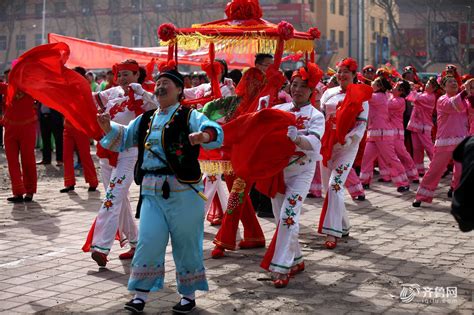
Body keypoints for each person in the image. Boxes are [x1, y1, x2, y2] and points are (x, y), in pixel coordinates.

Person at [97, 66, 223, 314]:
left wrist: (203, 137)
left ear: (179, 91)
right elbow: (124, 139)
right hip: (152, 192)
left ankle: (188, 296)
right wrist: (107, 127)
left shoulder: (189, 116)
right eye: (159, 82)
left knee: (186, 243)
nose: (161, 86)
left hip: (185, 192)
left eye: (167, 83)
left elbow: (214, 129)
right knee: (148, 241)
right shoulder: (146, 118)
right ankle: (140, 295)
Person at [82, 59, 156, 266]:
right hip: (106, 152)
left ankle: (100, 246)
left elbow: (160, 108)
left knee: (112, 197)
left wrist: (141, 92)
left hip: (130, 152)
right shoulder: (113, 93)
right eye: (120, 74)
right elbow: (87, 99)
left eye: (127, 74)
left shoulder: (146, 94)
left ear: (136, 75)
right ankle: (136, 243)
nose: (123, 78)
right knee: (119, 200)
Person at [260, 63, 325, 288]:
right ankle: (296, 260)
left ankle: (281, 267)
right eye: (294, 85)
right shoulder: (281, 110)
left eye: (303, 87)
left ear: (312, 91)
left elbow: (315, 142)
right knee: (281, 220)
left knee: (288, 217)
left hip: (302, 171)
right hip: (279, 171)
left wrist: (298, 139)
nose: (297, 90)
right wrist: (260, 111)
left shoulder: (317, 116)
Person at [318, 58, 372, 249]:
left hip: (347, 147)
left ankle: (332, 233)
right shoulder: (328, 93)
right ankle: (344, 224)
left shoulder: (361, 95)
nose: (341, 75)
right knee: (328, 189)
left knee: (335, 186)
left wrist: (349, 138)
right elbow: (321, 117)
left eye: (345, 72)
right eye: (339, 72)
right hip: (327, 145)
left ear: (353, 75)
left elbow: (361, 124)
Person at [413, 76, 469, 207]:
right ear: (443, 87)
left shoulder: (464, 100)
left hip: (462, 140)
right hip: (444, 141)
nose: (454, 83)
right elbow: (452, 105)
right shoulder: (442, 100)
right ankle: (421, 196)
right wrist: (466, 91)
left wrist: (470, 92)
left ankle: (458, 195)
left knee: (461, 171)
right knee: (435, 170)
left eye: (455, 81)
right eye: (450, 82)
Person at [359, 76, 410, 191]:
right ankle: (364, 181)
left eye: (374, 82)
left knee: (391, 159)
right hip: (374, 133)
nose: (372, 83)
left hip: (383, 134)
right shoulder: (381, 96)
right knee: (367, 158)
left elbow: (362, 96)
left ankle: (403, 182)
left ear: (379, 86)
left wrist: (356, 85)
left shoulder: (378, 97)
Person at [60, 66, 99, 193]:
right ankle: (69, 183)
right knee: (66, 155)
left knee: (85, 155)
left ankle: (93, 182)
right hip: (67, 126)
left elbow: (90, 108)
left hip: (81, 128)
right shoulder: (67, 87)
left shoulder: (84, 88)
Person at [1, 76, 38, 203]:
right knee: (12, 161)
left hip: (27, 128)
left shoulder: (31, 89)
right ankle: (17, 192)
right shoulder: (6, 88)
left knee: (28, 159)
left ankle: (30, 191)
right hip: (10, 129)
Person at [377, 80, 419, 183]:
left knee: (402, 153)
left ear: (401, 91)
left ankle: (414, 175)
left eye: (396, 87)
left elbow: (385, 105)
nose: (393, 87)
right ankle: (386, 175)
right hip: (389, 130)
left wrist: (383, 93)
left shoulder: (399, 101)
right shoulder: (392, 97)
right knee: (385, 153)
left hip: (397, 131)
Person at [406, 77, 439, 176]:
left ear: (434, 88)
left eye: (429, 84)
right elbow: (411, 97)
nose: (426, 85)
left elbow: (412, 97)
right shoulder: (424, 94)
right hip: (415, 125)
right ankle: (419, 169)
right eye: (427, 83)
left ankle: (439, 167)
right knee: (416, 148)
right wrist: (413, 89)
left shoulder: (430, 97)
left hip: (424, 126)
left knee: (429, 147)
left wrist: (412, 88)